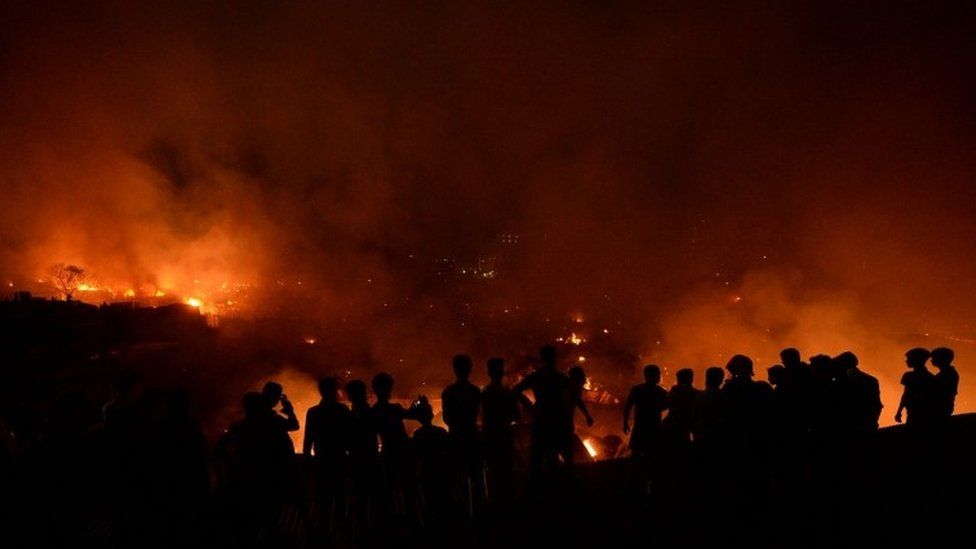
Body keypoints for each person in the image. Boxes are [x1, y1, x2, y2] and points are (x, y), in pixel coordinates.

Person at [513, 344, 575, 476]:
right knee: (552, 456)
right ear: (555, 358)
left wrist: (530, 406)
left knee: (537, 456)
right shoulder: (560, 377)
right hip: (556, 419)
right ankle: (553, 489)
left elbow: (516, 390)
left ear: (542, 358)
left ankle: (538, 490)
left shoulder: (537, 376)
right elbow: (572, 396)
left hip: (541, 418)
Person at [481, 357, 522, 497]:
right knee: (506, 473)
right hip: (504, 436)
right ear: (501, 373)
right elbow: (517, 416)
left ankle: (495, 506)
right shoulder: (507, 394)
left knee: (492, 475)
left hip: (490, 437)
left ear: (489, 373)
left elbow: (479, 417)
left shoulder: (484, 394)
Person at [410, 396, 452, 521]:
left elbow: (416, 456)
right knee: (443, 499)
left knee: (429, 500)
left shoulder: (418, 434)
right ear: (432, 414)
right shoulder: (441, 432)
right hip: (441, 470)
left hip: (427, 471)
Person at [441, 354, 482, 479]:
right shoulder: (474, 391)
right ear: (469, 369)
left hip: (455, 437)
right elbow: (477, 414)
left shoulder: (448, 392)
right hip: (471, 437)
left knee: (458, 479)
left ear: (454, 369)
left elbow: (446, 418)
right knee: (475, 477)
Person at [304, 376, 351, 468]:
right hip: (339, 457)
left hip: (321, 457)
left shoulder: (313, 412)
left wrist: (306, 457)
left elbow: (308, 438)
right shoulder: (343, 410)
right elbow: (349, 434)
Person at [622, 364, 668, 458]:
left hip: (640, 428)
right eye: (658, 374)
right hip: (654, 428)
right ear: (654, 375)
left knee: (636, 456)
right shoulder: (661, 392)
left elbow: (627, 407)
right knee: (651, 456)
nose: (660, 376)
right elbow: (666, 406)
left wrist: (625, 422)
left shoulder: (637, 389)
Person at [835, 351, 882, 433]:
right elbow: (876, 405)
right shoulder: (871, 380)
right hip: (867, 425)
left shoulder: (840, 382)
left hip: (849, 427)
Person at [895, 348, 936, 426]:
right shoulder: (930, 377)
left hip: (914, 411)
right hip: (925, 412)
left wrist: (899, 411)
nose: (906, 361)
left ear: (916, 360)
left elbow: (906, 395)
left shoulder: (908, 376)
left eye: (909, 359)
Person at [663, 368, 700, 446]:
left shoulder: (675, 390)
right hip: (685, 426)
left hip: (673, 426)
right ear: (691, 379)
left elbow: (665, 405)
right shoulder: (696, 393)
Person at [693, 366, 726, 451]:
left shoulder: (700, 396)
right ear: (721, 380)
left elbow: (694, 417)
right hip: (718, 438)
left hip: (702, 436)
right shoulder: (723, 397)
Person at [930, 347, 959, 418]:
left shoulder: (947, 374)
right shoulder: (949, 372)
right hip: (944, 407)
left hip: (941, 408)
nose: (931, 360)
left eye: (934, 358)